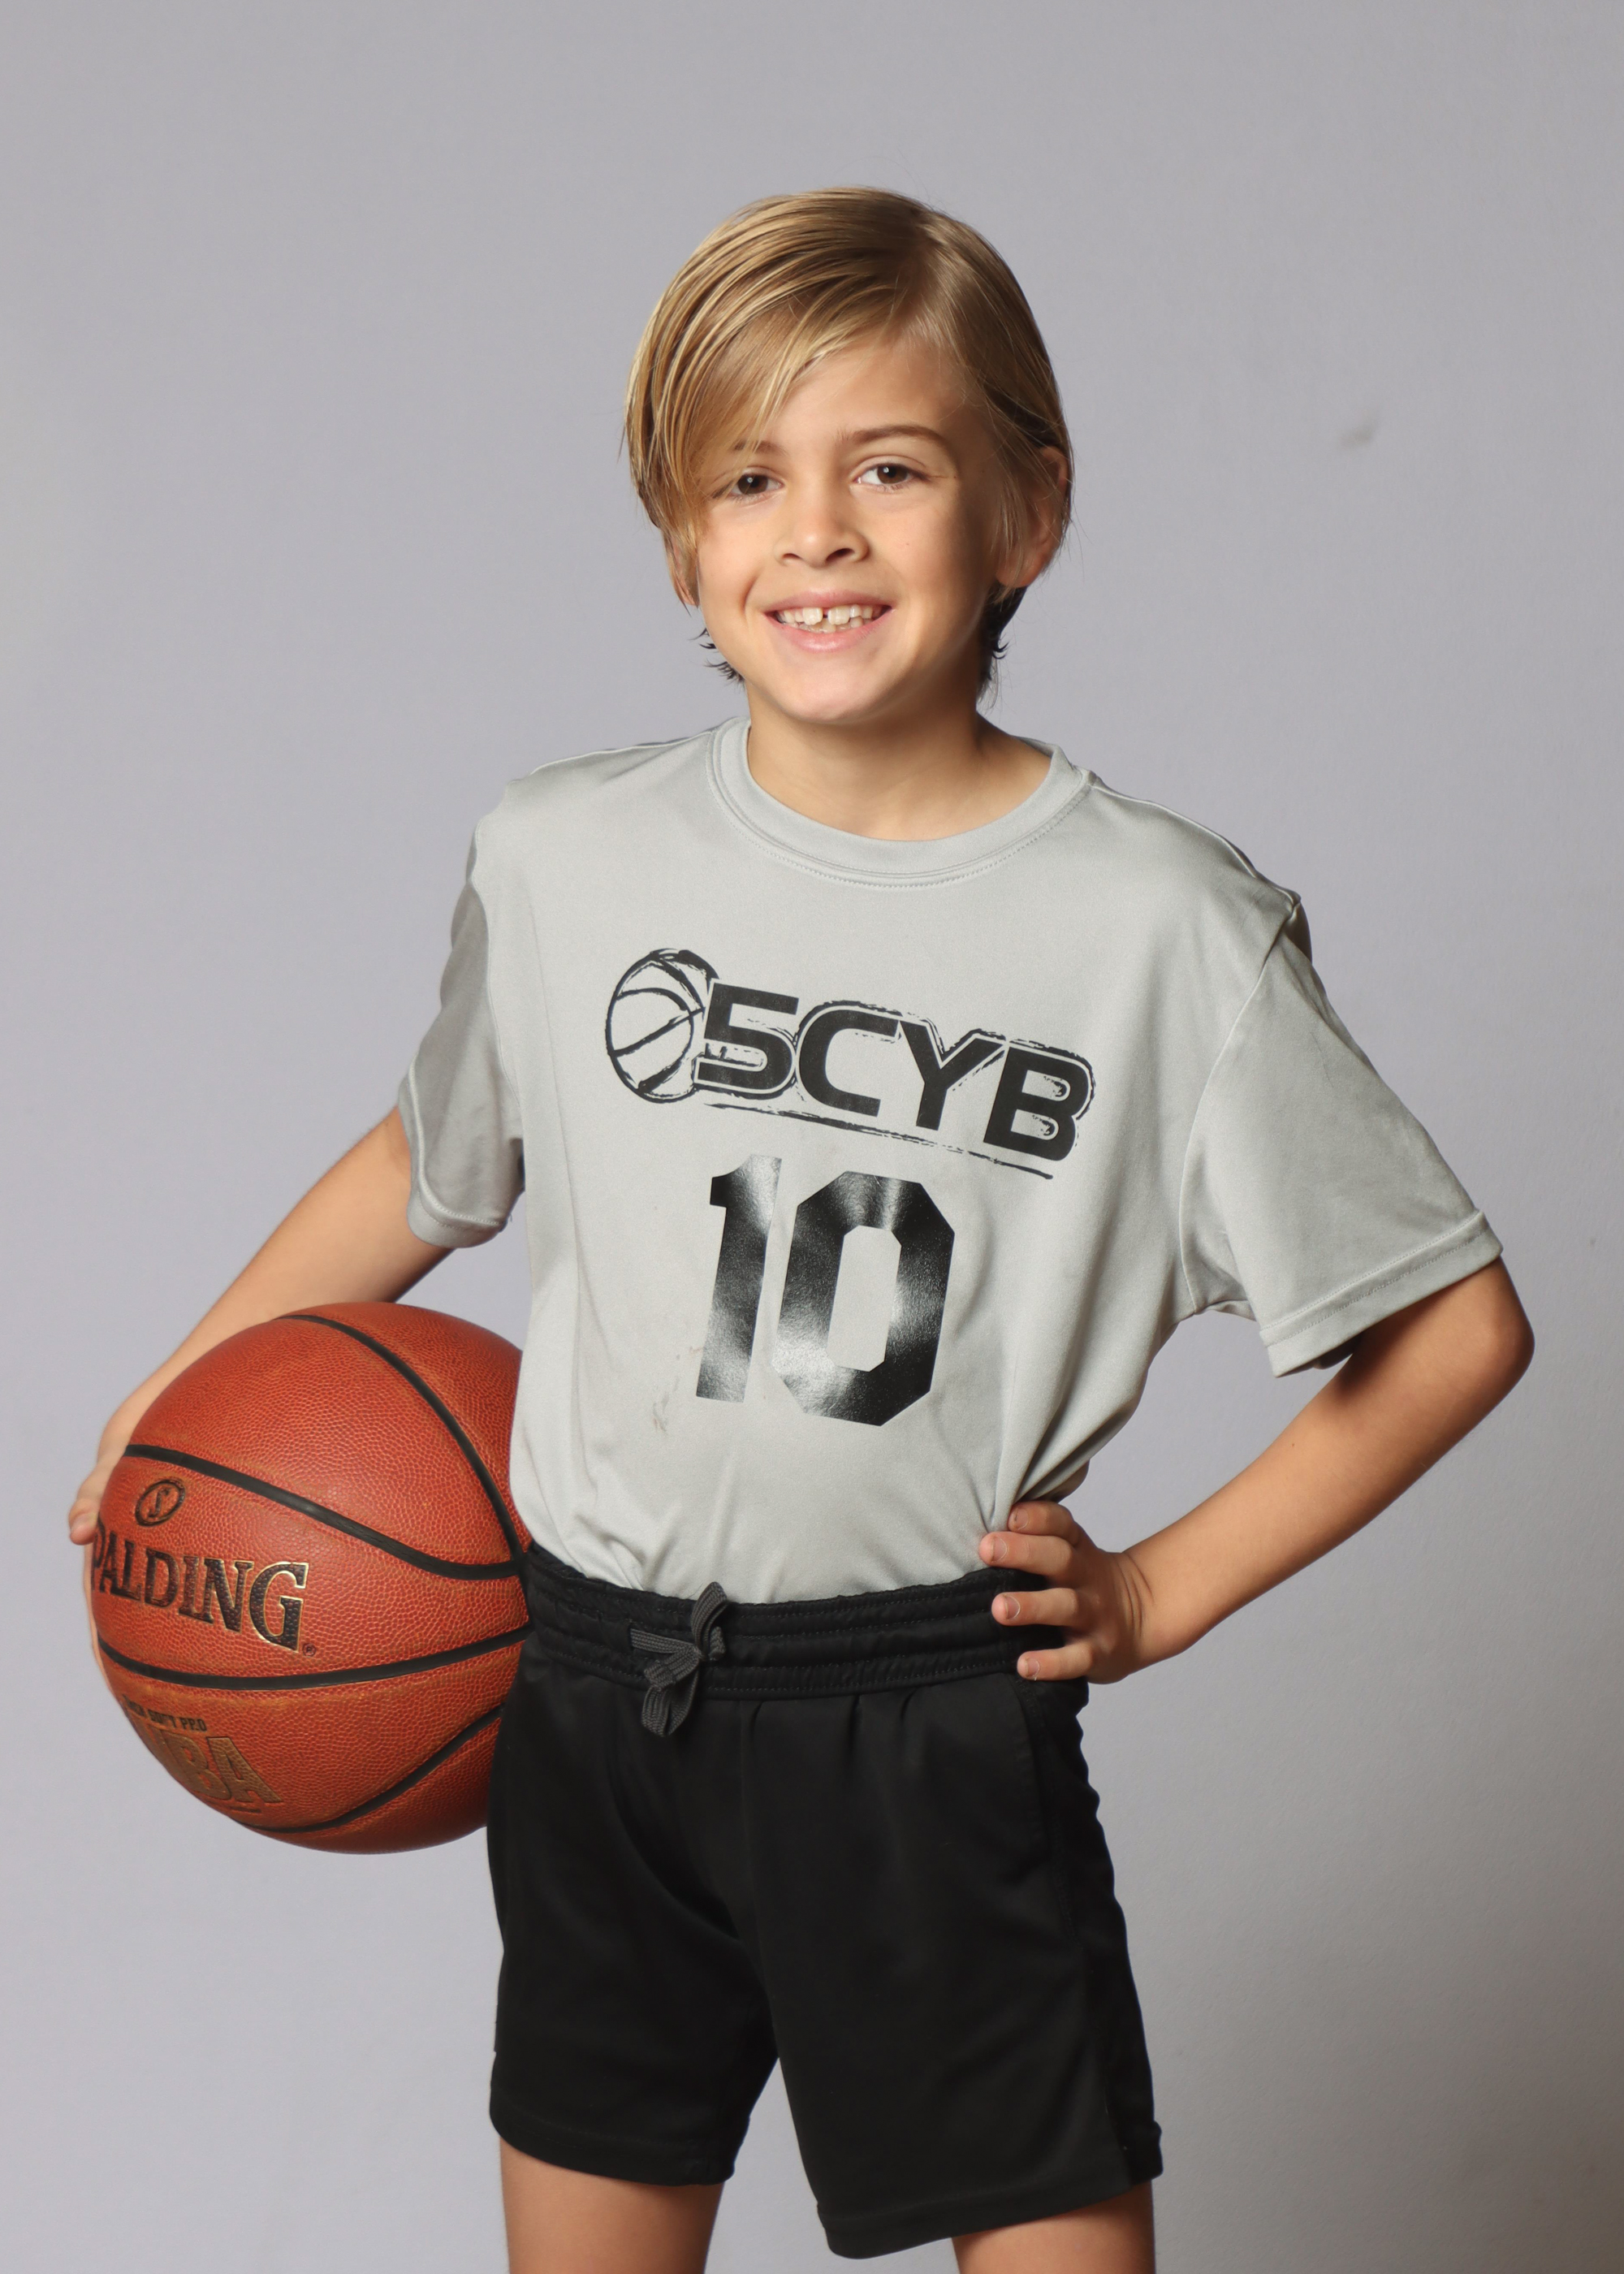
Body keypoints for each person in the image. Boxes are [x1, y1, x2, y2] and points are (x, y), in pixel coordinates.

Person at [68, 188, 1532, 2273]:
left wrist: (1158, 1590)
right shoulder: (564, 855)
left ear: (1028, 512)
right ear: (681, 540)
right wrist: (186, 1393)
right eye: (749, 477)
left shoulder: (1159, 929)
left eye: (892, 468)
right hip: (589, 1689)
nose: (815, 531)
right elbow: (423, 1163)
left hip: (920, 1713)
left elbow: (1453, 1324)